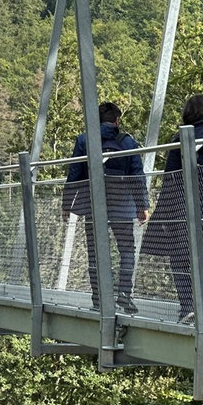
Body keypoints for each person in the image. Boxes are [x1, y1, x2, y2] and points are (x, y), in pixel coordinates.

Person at [141, 94, 203, 323]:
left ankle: (187, 306)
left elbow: (171, 179)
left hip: (182, 208)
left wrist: (166, 216)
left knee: (179, 258)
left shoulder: (179, 140)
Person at [61, 102, 149, 312]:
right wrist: (142, 205)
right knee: (127, 250)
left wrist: (67, 203)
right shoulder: (127, 142)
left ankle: (98, 300)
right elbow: (137, 175)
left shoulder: (84, 140)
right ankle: (124, 295)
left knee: (95, 252)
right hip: (122, 205)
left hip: (94, 204)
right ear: (117, 120)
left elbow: (75, 173)